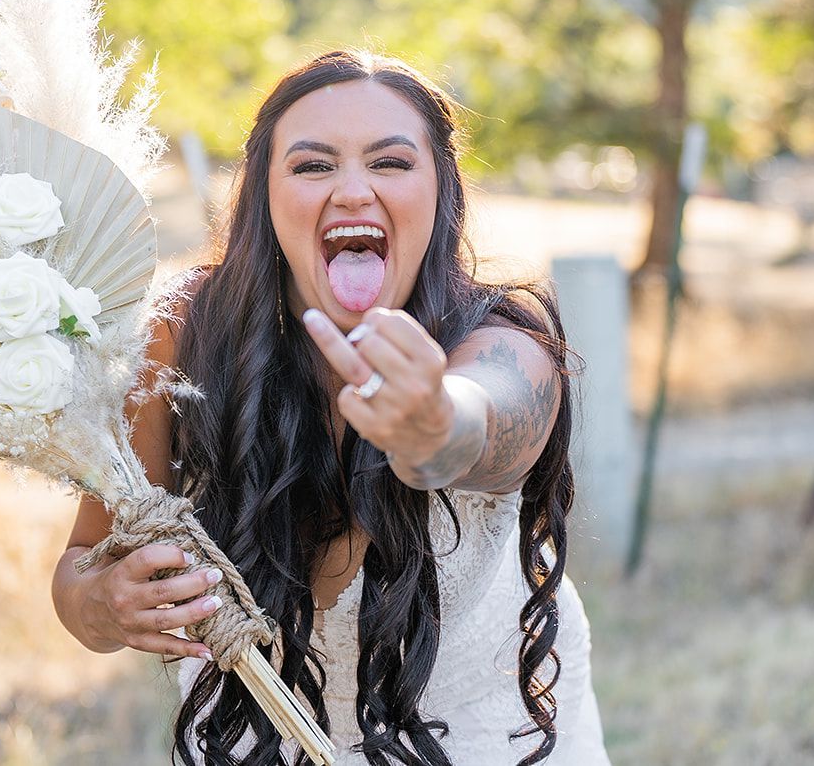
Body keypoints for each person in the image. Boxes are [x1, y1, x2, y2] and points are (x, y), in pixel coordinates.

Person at [51, 50, 610, 765]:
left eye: (391, 163)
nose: (352, 189)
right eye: (313, 165)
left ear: (442, 191)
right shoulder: (178, 334)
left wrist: (435, 422)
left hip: (486, 733)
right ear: (263, 195)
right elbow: (81, 566)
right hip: (256, 735)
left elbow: (484, 424)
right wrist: (104, 602)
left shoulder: (502, 340)